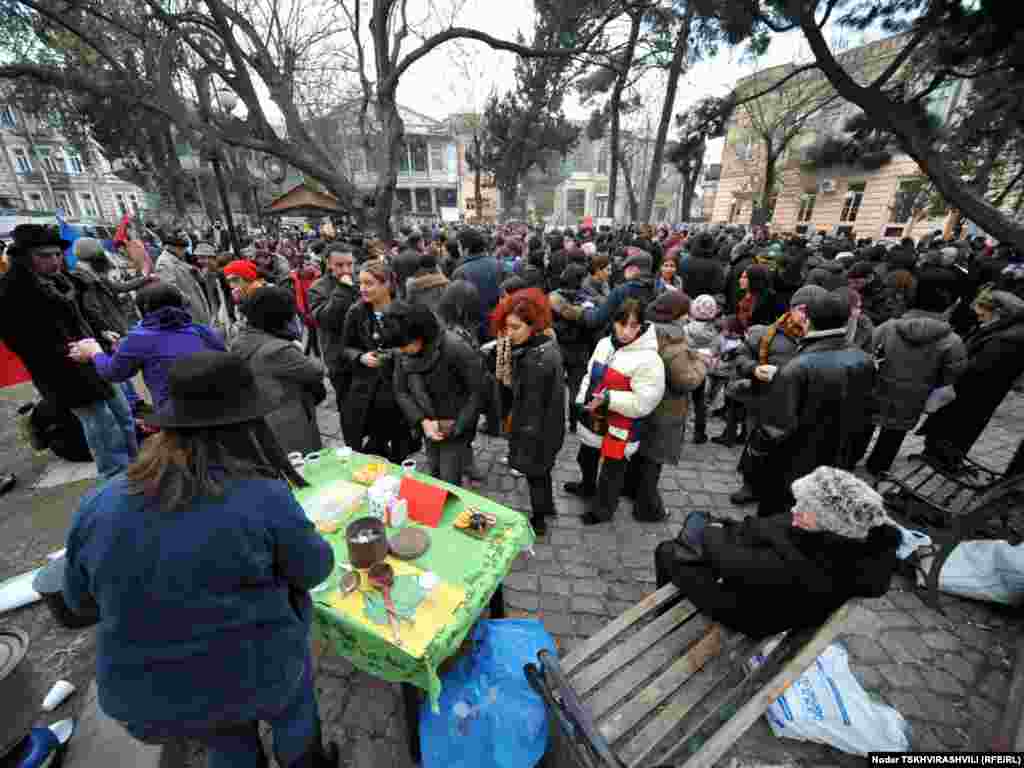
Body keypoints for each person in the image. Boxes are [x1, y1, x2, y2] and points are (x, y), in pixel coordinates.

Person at [63, 351, 338, 768]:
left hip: (153, 692)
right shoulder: (260, 494)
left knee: (226, 740)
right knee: (291, 707)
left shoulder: (99, 502)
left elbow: (79, 602)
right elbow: (316, 569)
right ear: (246, 423)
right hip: (257, 668)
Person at [653, 467, 900, 639]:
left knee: (667, 552)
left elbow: (730, 563)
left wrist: (712, 531)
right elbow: (771, 530)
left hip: (752, 614)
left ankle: (666, 619)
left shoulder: (805, 562)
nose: (796, 509)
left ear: (832, 524)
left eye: (806, 508)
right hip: (772, 595)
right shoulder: (847, 543)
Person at [0, 225, 138, 479]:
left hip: (95, 358)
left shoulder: (65, 281)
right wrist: (68, 351)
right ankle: (118, 478)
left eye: (57, 254)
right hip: (63, 374)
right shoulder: (11, 291)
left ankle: (136, 467)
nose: (54, 260)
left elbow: (85, 317)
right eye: (44, 255)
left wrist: (102, 334)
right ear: (25, 257)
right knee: (101, 424)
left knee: (124, 415)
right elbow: (22, 342)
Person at [750, 291, 874, 518]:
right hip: (838, 458)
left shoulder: (798, 367)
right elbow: (867, 414)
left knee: (779, 514)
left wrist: (756, 458)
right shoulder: (864, 359)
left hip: (794, 463)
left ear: (807, 320)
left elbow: (775, 429)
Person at [565, 298, 666, 525]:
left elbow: (645, 402)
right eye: (622, 324)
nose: (626, 331)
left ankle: (602, 510)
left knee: (613, 470)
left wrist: (610, 399)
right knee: (586, 456)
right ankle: (587, 486)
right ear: (614, 322)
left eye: (633, 325)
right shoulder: (604, 344)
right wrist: (582, 401)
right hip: (594, 417)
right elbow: (590, 376)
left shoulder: (650, 359)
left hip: (621, 426)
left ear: (641, 326)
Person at [859, 271, 967, 475]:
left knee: (864, 429)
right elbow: (951, 375)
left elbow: (865, 357)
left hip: (876, 392)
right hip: (912, 400)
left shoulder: (887, 328)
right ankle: (877, 468)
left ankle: (851, 459)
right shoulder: (952, 341)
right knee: (893, 437)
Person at [725, 284, 826, 499]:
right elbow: (742, 355)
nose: (805, 316)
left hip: (801, 405)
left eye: (812, 311)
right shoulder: (767, 333)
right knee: (756, 447)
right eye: (802, 309)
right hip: (765, 401)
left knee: (788, 452)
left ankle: (774, 488)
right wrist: (754, 368)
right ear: (791, 309)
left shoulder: (823, 341)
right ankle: (749, 486)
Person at [69, 283, 227, 412]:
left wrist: (95, 352)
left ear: (143, 311)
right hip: (218, 405)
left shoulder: (138, 339)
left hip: (176, 414)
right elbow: (225, 360)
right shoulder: (201, 330)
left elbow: (113, 372)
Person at [623, 291, 705, 521]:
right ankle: (648, 508)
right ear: (677, 315)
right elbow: (685, 381)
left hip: (640, 402)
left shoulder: (642, 331)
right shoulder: (673, 344)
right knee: (654, 459)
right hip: (665, 408)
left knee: (639, 451)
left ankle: (629, 489)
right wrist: (700, 363)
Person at [489, 288, 565, 535]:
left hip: (536, 431)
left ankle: (540, 519)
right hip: (540, 427)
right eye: (507, 327)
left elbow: (531, 405)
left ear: (533, 325)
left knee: (536, 474)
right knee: (541, 473)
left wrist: (521, 434)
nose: (509, 334)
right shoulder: (541, 346)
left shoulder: (538, 360)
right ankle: (547, 507)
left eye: (515, 327)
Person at [919, 287, 1024, 467]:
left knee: (955, 429)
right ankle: (936, 455)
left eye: (982, 315)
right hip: (975, 394)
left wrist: (951, 365)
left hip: (971, 395)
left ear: (999, 312)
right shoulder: (1003, 328)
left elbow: (979, 369)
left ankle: (941, 460)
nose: (978, 318)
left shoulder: (1006, 340)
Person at [390, 302, 482, 486]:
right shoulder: (403, 349)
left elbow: (477, 392)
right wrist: (422, 422)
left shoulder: (456, 348)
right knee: (434, 468)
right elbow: (401, 391)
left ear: (422, 336)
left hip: (454, 426)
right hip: (428, 424)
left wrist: (457, 426)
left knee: (449, 479)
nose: (402, 351)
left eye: (405, 345)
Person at [232, 287, 327, 456]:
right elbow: (315, 371)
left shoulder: (242, 339)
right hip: (288, 419)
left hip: (263, 412)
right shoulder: (278, 350)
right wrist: (297, 348)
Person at [340, 262, 417, 462]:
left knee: (401, 442)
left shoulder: (406, 312)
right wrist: (360, 357)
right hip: (369, 392)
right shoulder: (356, 312)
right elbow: (345, 348)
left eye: (369, 283)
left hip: (400, 389)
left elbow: (417, 348)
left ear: (387, 285)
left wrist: (395, 354)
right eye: (360, 283)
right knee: (374, 443)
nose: (363, 288)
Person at [307, 247, 359, 432]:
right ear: (328, 264)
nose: (346, 270)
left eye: (349, 264)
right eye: (339, 265)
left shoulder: (359, 280)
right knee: (348, 408)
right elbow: (326, 320)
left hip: (363, 353)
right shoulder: (318, 288)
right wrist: (343, 290)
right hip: (339, 359)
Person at [549, 264, 599, 434]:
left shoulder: (553, 297)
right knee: (576, 388)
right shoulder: (587, 299)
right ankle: (573, 423)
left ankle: (555, 421)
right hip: (580, 347)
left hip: (559, 346)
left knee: (556, 387)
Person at [452, 229, 504, 340]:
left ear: (466, 249)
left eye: (459, 246)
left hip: (475, 328)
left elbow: (459, 307)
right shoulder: (497, 264)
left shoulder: (460, 272)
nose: (458, 249)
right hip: (498, 321)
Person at [154, 231, 213, 326]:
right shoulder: (163, 264)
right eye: (182, 249)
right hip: (186, 308)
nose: (184, 252)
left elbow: (183, 267)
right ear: (172, 248)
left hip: (193, 301)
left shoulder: (175, 259)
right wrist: (186, 300)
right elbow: (170, 289)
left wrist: (194, 271)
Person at [736, 264, 782, 330]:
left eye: (745, 277)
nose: (740, 280)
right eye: (741, 277)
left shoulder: (769, 298)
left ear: (754, 279)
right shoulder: (742, 296)